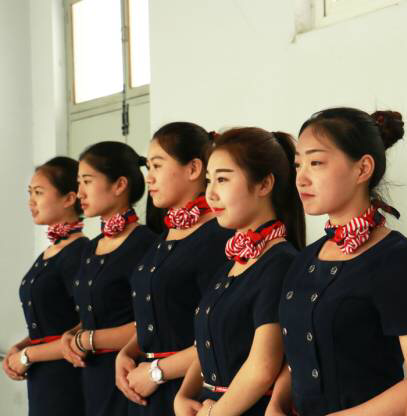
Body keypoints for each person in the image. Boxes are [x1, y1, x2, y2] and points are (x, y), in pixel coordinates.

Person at [268, 107, 407, 415]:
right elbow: (296, 359)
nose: (301, 178)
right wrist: (276, 404)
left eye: (316, 163)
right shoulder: (303, 259)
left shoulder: (399, 259)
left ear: (363, 169)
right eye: (298, 165)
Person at [174, 127, 305, 415]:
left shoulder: (281, 263)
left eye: (222, 179)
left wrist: (214, 414)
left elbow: (263, 368)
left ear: (264, 184)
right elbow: (205, 344)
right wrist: (182, 395)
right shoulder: (233, 262)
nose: (210, 193)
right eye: (209, 180)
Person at [115, 122, 233, 416]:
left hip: (188, 393)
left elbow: (221, 331)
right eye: (148, 167)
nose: (149, 177)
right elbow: (156, 316)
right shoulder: (166, 234)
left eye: (157, 165)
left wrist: (156, 371)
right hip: (144, 387)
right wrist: (127, 352)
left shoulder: (219, 237)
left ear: (193, 169)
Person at [59, 141, 157, 415]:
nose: (80, 193)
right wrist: (72, 334)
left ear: (119, 185)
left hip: (128, 375)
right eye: (79, 183)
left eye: (87, 181)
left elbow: (152, 323)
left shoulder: (146, 244)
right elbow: (98, 312)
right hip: (91, 376)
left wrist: (86, 339)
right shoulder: (91, 246)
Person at [3, 157, 89, 416]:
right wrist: (20, 347)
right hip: (42, 377)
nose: (31, 201)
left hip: (68, 377)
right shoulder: (51, 251)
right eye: (30, 193)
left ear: (69, 198)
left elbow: (86, 324)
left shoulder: (79, 253)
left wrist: (27, 355)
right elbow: (50, 323)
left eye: (39, 193)